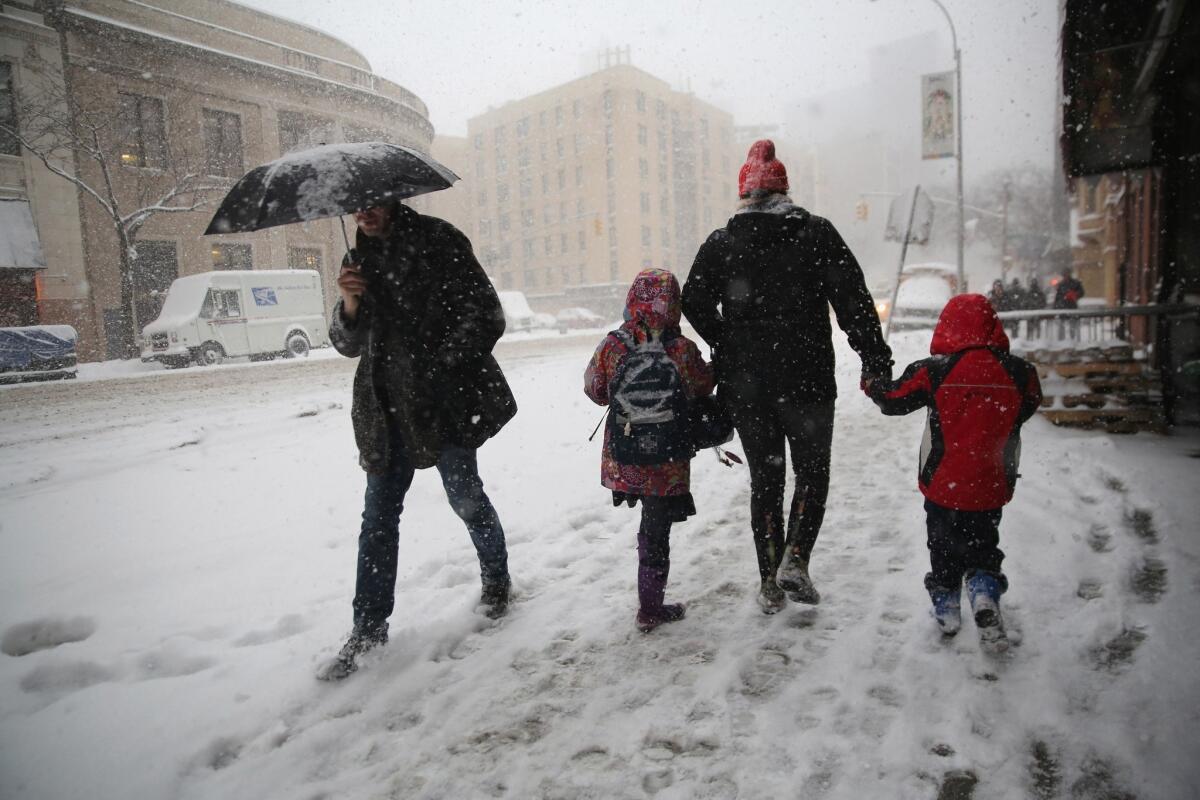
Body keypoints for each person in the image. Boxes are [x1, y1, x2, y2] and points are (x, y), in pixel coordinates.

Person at [682, 140, 893, 614]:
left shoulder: (722, 243)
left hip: (747, 384)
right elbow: (853, 303)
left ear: (744, 195)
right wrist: (874, 358)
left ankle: (768, 583)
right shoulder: (816, 234)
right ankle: (796, 558)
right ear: (785, 192)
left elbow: (692, 301)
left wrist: (727, 341)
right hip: (808, 380)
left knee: (766, 480)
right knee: (812, 473)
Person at [319, 201, 517, 681]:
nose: (362, 212)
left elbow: (486, 314)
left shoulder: (440, 240)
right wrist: (349, 302)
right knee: (378, 519)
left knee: (465, 496)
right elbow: (347, 344)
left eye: (372, 201)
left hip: (442, 402)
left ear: (392, 196)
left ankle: (497, 580)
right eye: (355, 205)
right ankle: (367, 631)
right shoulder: (356, 261)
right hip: (385, 410)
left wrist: (438, 365)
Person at [862, 294, 1042, 652]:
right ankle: (984, 592)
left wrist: (872, 383)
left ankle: (946, 606)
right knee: (984, 543)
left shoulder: (935, 370)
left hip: (944, 483)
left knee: (942, 545)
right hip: (991, 483)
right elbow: (1029, 404)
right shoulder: (1020, 372)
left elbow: (895, 399)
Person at [585, 269, 715, 632]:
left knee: (650, 524)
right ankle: (651, 606)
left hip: (624, 456)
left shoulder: (613, 344)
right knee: (656, 531)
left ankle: (650, 602)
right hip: (667, 459)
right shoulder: (681, 348)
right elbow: (703, 386)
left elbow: (595, 390)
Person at [1052, 267, 1085, 339]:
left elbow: (1081, 292)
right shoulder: (1061, 284)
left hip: (1072, 307)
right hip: (1063, 308)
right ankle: (1061, 340)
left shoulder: (1075, 283)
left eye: (1067, 274)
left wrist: (1075, 294)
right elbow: (1058, 297)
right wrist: (1055, 308)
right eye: (1064, 274)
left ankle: (1072, 340)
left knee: (1072, 326)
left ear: (1069, 274)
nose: (1066, 276)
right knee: (1061, 327)